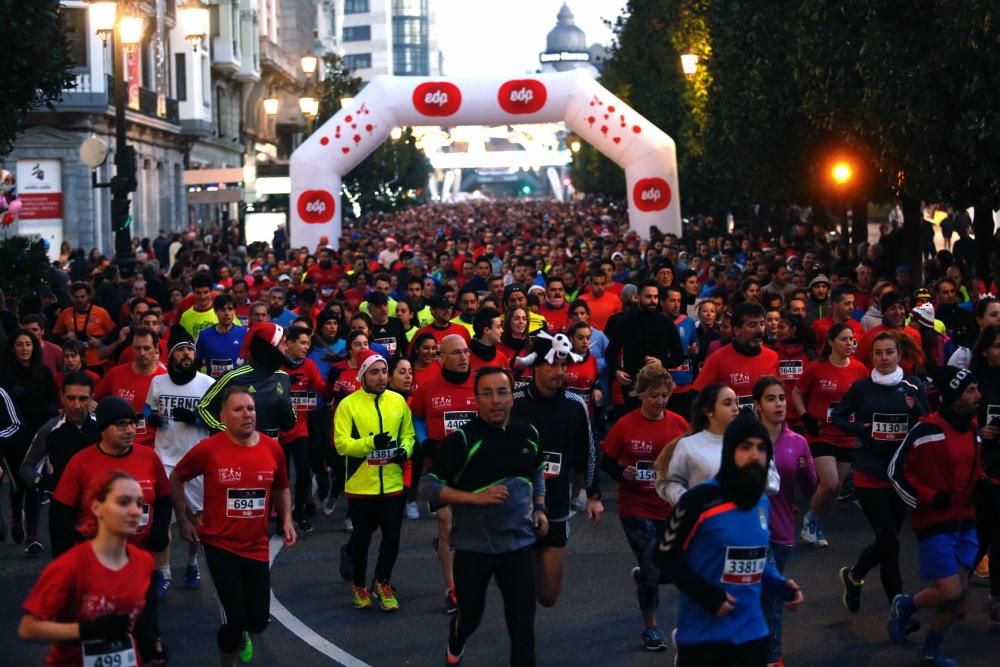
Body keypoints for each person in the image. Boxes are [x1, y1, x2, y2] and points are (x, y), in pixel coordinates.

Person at [655, 412, 804, 666]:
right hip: (704, 638)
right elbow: (665, 556)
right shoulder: (699, 500)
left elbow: (753, 557)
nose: (754, 455)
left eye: (761, 448)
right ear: (729, 452)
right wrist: (708, 596)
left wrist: (779, 584)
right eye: (745, 447)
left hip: (753, 634)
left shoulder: (762, 502)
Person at [423, 365, 547, 666]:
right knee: (471, 617)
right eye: (487, 393)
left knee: (522, 629)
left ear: (512, 397)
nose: (496, 400)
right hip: (474, 549)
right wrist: (473, 498)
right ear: (476, 399)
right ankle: (457, 641)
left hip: (519, 547)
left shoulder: (528, 433)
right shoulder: (463, 441)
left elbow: (537, 468)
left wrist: (540, 506)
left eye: (502, 392)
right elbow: (428, 488)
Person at [170, 386, 295, 667]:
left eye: (250, 408)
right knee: (234, 619)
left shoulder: (272, 448)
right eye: (238, 410)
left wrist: (286, 519)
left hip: (256, 546)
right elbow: (176, 478)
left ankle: (242, 634)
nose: (247, 414)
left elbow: (282, 487)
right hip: (219, 545)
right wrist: (185, 518)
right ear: (224, 416)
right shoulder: (209, 449)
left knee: (259, 621)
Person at [20, 471, 164, 667]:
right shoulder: (70, 566)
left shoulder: (144, 561)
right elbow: (28, 629)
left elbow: (131, 618)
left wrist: (150, 645)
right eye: (123, 502)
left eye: (139, 504)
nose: (135, 511)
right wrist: (87, 631)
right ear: (97, 507)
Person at [887, 367, 980, 666]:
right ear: (954, 398)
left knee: (959, 593)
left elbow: (971, 472)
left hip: (966, 521)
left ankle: (930, 649)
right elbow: (896, 471)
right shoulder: (926, 430)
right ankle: (904, 606)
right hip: (935, 523)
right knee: (950, 592)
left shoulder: (973, 429)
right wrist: (927, 498)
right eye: (970, 390)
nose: (978, 395)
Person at [832, 331, 929, 615]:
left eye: (889, 352)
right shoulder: (861, 388)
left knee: (890, 540)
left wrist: (916, 409)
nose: (884, 358)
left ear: (899, 354)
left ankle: (854, 575)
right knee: (890, 543)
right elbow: (838, 415)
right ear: (871, 356)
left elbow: (927, 422)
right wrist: (859, 429)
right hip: (869, 473)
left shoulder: (914, 386)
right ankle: (898, 610)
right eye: (878, 353)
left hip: (901, 475)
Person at [512, 331, 603, 607]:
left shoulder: (575, 405)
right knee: (520, 595)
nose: (559, 371)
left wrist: (594, 494)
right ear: (535, 366)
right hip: (517, 505)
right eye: (552, 364)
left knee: (548, 596)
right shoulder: (514, 402)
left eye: (564, 365)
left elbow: (590, 449)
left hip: (557, 503)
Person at [600, 365, 688, 651]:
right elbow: (606, 460)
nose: (659, 401)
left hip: (670, 506)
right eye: (653, 396)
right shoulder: (625, 425)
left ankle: (644, 576)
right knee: (652, 566)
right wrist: (619, 473)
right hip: (636, 506)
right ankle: (651, 628)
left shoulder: (679, 425)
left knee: (675, 568)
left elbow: (691, 460)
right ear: (640, 395)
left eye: (664, 395)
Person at [333, 349, 415, 611]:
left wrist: (405, 450)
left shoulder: (398, 402)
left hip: (392, 483)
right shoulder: (348, 405)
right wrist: (370, 443)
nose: (381, 377)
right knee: (362, 538)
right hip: (361, 486)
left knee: (392, 537)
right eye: (374, 372)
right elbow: (341, 444)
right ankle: (359, 584)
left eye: (383, 372)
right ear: (362, 376)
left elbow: (408, 435)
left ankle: (382, 581)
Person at [408, 333, 479, 614]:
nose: (463, 357)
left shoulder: (481, 384)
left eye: (465, 352)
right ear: (442, 357)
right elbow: (415, 417)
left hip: (476, 467)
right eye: (456, 353)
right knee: (447, 523)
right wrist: (425, 442)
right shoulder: (427, 388)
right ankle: (452, 589)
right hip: (441, 468)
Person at [50, 396, 171, 559]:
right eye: (121, 424)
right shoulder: (81, 462)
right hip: (95, 559)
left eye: (132, 423)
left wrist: (160, 532)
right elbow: (60, 512)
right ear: (103, 428)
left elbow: (164, 498)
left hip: (139, 558)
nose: (130, 430)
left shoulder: (149, 457)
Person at [144, 326, 215, 595]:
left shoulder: (207, 384)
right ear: (171, 356)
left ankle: (191, 562)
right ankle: (163, 572)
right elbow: (147, 407)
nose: (186, 354)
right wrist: (151, 418)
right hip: (164, 459)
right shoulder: (158, 382)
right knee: (162, 522)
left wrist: (196, 419)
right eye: (180, 350)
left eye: (189, 350)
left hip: (195, 460)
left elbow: (219, 422)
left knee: (197, 520)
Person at [754, 376, 817, 666]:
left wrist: (805, 470)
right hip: (749, 531)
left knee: (772, 597)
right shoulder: (746, 441)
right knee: (753, 595)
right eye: (771, 398)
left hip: (780, 530)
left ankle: (772, 656)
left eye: (781, 398)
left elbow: (811, 487)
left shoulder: (798, 442)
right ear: (757, 405)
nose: (779, 404)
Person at [793, 322, 868, 548]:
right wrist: (805, 416)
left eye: (852, 339)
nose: (849, 343)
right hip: (821, 433)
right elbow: (797, 393)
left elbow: (864, 399)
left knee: (835, 490)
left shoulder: (859, 370)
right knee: (830, 481)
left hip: (845, 434)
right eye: (844, 339)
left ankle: (816, 521)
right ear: (831, 342)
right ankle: (810, 520)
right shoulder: (816, 368)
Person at [18, 373, 99, 547]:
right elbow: (26, 467)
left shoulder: (103, 427)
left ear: (92, 398)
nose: (76, 405)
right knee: (66, 566)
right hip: (63, 508)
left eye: (83, 398)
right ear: (61, 397)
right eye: (71, 398)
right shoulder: (50, 430)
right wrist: (42, 481)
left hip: (99, 507)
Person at [0, 328, 59, 552]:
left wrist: (49, 410)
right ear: (13, 348)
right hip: (13, 437)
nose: (24, 348)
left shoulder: (43, 372)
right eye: (20, 344)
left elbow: (53, 400)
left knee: (34, 482)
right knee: (17, 484)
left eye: (28, 344)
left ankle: (32, 535)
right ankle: (16, 518)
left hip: (39, 435)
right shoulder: (4, 374)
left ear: (34, 347)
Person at [197, 322, 296, 439]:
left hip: (269, 451)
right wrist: (227, 432)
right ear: (270, 346)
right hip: (238, 450)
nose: (287, 347)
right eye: (283, 343)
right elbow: (203, 408)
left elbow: (288, 425)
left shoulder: (283, 377)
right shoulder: (233, 377)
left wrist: (287, 412)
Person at [605, 279, 684, 414]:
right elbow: (610, 352)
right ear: (638, 297)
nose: (653, 301)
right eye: (648, 297)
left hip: (659, 383)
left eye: (655, 297)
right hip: (633, 384)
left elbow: (679, 355)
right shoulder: (624, 321)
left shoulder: (665, 323)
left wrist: (662, 363)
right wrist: (616, 371)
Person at [280, 324, 330, 533]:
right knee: (280, 477)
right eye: (302, 342)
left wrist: (335, 380)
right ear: (288, 344)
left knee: (302, 470)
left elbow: (322, 390)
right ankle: (282, 517)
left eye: (308, 343)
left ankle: (299, 510)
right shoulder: (277, 366)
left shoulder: (309, 365)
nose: (306, 347)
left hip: (300, 429)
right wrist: (282, 382)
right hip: (277, 432)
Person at [970, 324, 1000, 623]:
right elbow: (957, 420)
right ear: (985, 350)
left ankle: (995, 600)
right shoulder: (976, 383)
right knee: (979, 537)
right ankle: (954, 588)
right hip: (982, 471)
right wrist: (981, 432)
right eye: (998, 346)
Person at [52, 281, 116, 373]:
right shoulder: (66, 313)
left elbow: (113, 333)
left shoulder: (101, 312)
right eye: (76, 297)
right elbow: (55, 335)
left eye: (83, 297)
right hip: (74, 362)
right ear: (72, 297)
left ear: (89, 296)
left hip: (96, 360)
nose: (80, 300)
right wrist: (67, 337)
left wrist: (100, 341)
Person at [195, 294, 247, 378]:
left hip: (237, 387)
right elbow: (196, 365)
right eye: (223, 309)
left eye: (230, 309)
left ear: (234, 311)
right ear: (215, 311)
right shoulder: (204, 335)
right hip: (213, 387)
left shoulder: (244, 334)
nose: (227, 313)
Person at [469, 306, 509, 371]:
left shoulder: (501, 358)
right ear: (487, 330)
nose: (502, 331)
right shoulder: (466, 359)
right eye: (498, 327)